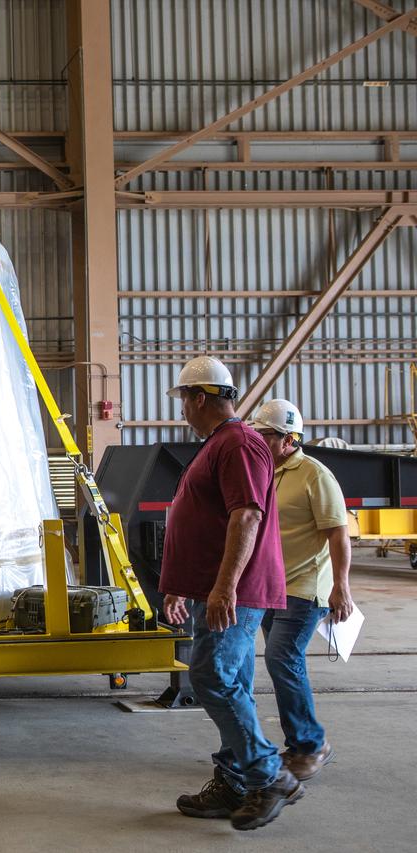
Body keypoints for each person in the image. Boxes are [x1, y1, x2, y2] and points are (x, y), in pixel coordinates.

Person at [158, 356, 305, 831]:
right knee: (231, 683)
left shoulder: (238, 443)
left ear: (201, 398)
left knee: (212, 677)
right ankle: (233, 784)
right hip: (215, 589)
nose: (182, 409)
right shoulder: (221, 444)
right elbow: (207, 520)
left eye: (184, 399)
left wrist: (225, 587)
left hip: (234, 592)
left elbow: (246, 515)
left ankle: (269, 775)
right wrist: (181, 586)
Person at [249, 399, 353, 781]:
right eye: (257, 433)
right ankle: (300, 743)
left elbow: (338, 534)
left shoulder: (315, 475)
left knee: (282, 658)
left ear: (289, 439)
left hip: (306, 587)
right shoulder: (263, 471)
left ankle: (310, 745)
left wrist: (341, 587)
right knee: (281, 662)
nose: (259, 440)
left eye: (266, 435)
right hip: (271, 586)